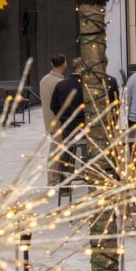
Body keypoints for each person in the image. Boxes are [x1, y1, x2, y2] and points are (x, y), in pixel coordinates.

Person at [49, 60, 85, 188]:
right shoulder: (87, 85)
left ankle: (65, 187)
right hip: (85, 124)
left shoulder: (61, 84)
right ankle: (91, 181)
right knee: (88, 153)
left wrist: (64, 116)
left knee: (67, 155)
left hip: (68, 124)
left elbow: (53, 105)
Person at [39, 54, 68, 137]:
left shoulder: (43, 80)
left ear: (52, 64)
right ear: (64, 64)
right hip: (59, 122)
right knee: (56, 148)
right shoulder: (61, 83)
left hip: (48, 121)